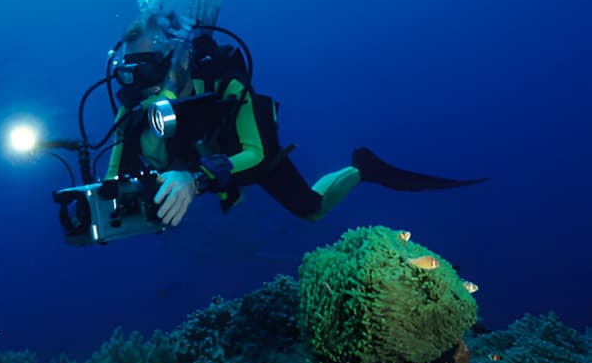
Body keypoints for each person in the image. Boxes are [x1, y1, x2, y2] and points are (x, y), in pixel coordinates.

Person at [105, 12, 489, 227]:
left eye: (150, 70)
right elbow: (114, 176)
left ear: (178, 60)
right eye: (130, 73)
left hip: (240, 153)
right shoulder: (135, 105)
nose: (141, 85)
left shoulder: (225, 81)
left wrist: (197, 180)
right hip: (188, 163)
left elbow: (257, 152)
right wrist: (107, 204)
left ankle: (364, 168)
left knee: (310, 209)